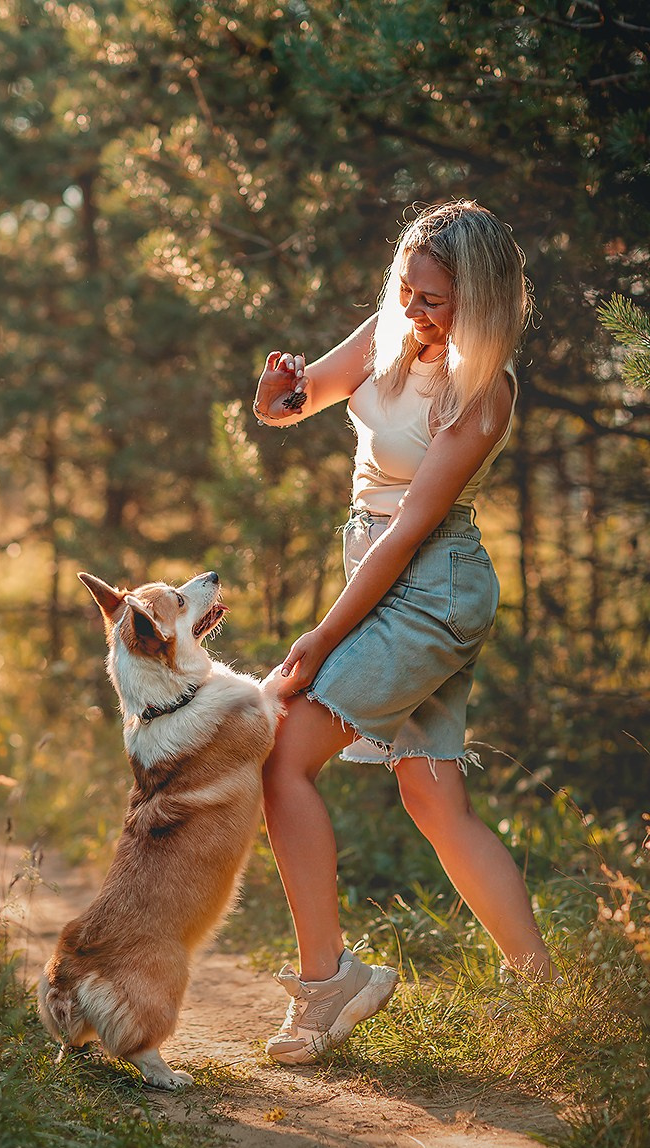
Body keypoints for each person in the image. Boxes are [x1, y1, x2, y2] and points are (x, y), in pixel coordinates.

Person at [251, 200, 558, 1066]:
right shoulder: (394, 325)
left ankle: (328, 984)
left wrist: (316, 639)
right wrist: (277, 392)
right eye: (407, 290)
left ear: (484, 301)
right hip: (381, 570)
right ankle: (542, 991)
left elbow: (409, 530)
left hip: (431, 588)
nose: (414, 312)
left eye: (435, 301)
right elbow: (300, 398)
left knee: (284, 756)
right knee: (431, 793)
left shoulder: (483, 391)